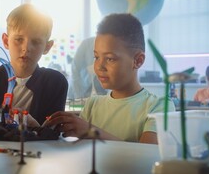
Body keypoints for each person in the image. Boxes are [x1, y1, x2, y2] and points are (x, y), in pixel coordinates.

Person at [43, 13, 175, 144]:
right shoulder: (92, 105)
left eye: (110, 58)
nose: (99, 66)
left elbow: (147, 155)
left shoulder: (159, 106)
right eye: (96, 57)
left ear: (138, 60)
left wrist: (92, 132)